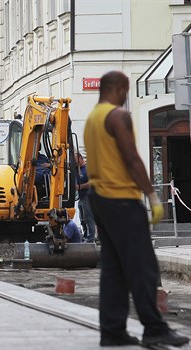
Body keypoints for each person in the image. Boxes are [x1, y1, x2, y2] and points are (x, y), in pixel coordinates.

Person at [84, 71, 189, 347]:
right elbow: (131, 158)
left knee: (114, 269)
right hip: (121, 198)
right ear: (118, 88)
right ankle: (154, 328)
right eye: (125, 91)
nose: (125, 97)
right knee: (143, 266)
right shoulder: (117, 116)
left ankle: (112, 330)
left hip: (99, 198)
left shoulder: (93, 119)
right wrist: (152, 196)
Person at [75, 152, 97, 243]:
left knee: (88, 218)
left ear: (80, 158)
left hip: (88, 196)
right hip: (81, 197)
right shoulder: (77, 169)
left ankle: (91, 238)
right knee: (82, 219)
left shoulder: (88, 169)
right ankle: (85, 236)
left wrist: (79, 187)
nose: (73, 161)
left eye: (75, 159)